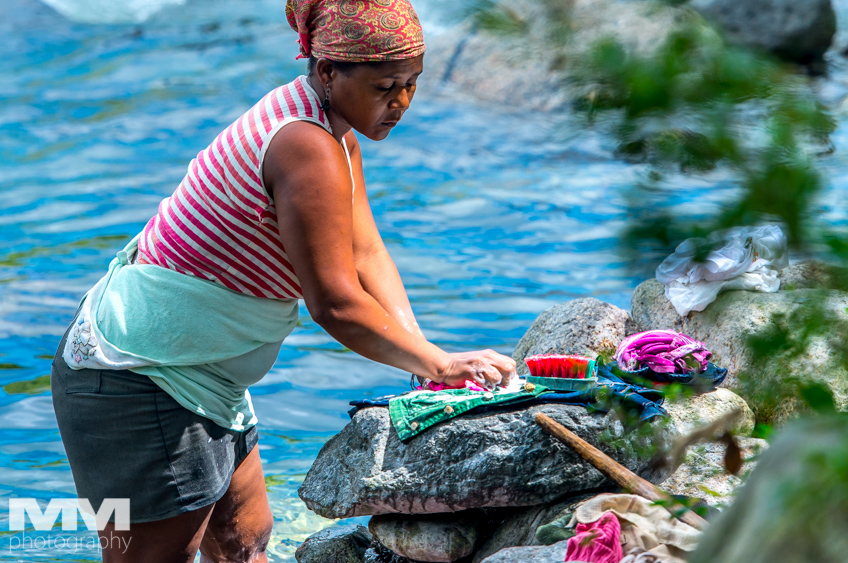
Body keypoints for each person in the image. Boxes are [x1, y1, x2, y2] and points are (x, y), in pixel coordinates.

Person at [49, 1, 517, 561]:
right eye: (386, 86)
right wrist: (438, 365)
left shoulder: (335, 133)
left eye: (413, 84)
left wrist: (423, 356)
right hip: (137, 374)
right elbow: (335, 305)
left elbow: (364, 249)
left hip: (202, 372)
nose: (402, 103)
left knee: (244, 541)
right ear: (327, 73)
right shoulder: (304, 144)